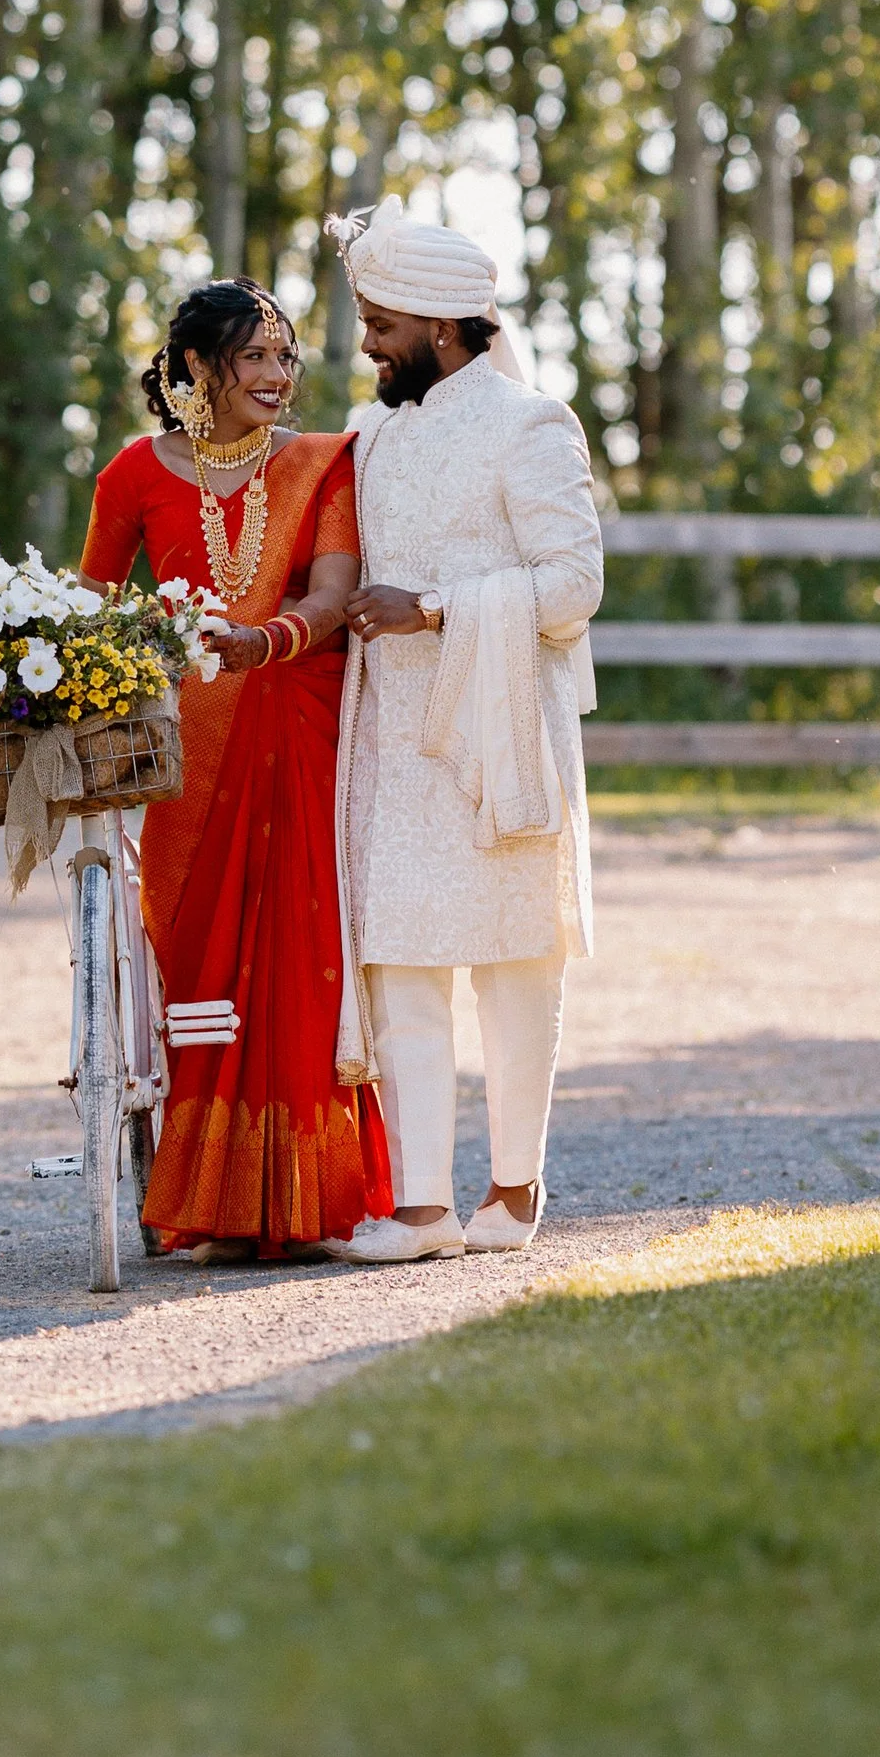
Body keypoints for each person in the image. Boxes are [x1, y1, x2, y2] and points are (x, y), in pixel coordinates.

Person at [78, 278, 394, 1263]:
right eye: (253, 356)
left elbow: (338, 590)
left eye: (284, 356)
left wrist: (266, 642)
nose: (275, 375)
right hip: (185, 756)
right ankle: (214, 1201)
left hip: (296, 728)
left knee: (301, 961)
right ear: (196, 370)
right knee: (198, 968)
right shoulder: (133, 472)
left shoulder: (319, 463)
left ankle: (309, 1198)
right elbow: (89, 603)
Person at [321, 203, 605, 1263]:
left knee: (517, 961)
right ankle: (424, 1208)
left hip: (498, 732)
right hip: (391, 734)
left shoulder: (532, 424)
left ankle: (515, 1195)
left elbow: (576, 586)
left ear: (441, 327)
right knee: (400, 960)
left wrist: (434, 606)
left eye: (380, 322)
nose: (366, 343)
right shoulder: (370, 431)